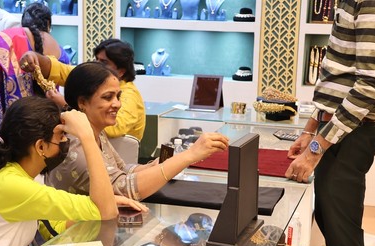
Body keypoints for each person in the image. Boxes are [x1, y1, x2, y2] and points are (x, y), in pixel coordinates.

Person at [0, 96, 146, 246]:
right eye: (61, 136)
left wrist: (102, 202)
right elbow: (106, 212)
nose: (65, 142)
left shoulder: (26, 176)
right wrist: (86, 136)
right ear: (40, 147)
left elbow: (55, 225)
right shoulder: (12, 185)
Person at [285, 0, 375, 246]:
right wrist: (310, 131)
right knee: (332, 225)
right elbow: (337, 80)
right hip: (341, 130)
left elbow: (370, 85)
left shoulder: (374, 2)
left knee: (343, 241)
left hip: (351, 134)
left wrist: (315, 150)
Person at [18, 56, 229, 200]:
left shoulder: (95, 133)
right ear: (82, 102)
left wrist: (157, 165)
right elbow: (125, 188)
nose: (117, 104)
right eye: (108, 97)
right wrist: (190, 155)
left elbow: (123, 168)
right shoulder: (72, 144)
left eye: (118, 97)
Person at [0, 2, 70, 135]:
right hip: (50, 119)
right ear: (48, 24)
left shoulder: (9, 38)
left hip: (18, 119)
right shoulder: (60, 50)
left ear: (23, 21)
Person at [94, 39, 146, 141]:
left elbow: (115, 128)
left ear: (121, 71)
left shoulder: (129, 95)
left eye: (104, 62)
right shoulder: (102, 87)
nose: (97, 66)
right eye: (97, 60)